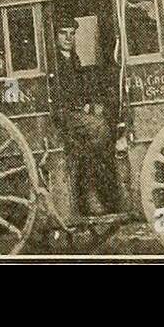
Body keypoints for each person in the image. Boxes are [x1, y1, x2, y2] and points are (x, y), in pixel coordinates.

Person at [53, 24, 118, 216]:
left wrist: (90, 103)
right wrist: (83, 107)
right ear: (56, 36)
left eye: (72, 34)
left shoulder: (73, 58)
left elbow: (79, 88)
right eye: (63, 33)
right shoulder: (54, 61)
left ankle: (105, 193)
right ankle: (91, 195)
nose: (68, 38)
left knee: (103, 120)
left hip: (75, 113)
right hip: (64, 115)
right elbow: (61, 96)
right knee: (99, 129)